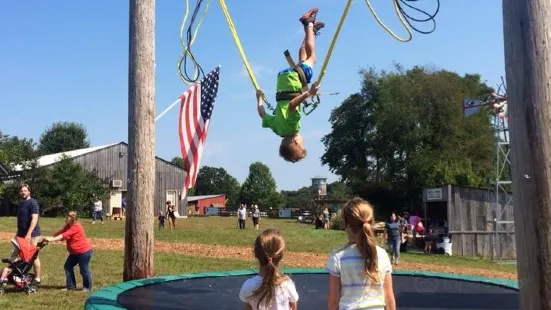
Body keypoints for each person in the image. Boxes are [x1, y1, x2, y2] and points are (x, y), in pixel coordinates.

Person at [256, 8, 324, 163]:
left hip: (295, 81)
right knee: (303, 57)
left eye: (302, 142)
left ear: (295, 142)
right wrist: (259, 98)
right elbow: (262, 113)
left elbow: (293, 105)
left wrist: (310, 93)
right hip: (283, 80)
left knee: (312, 58)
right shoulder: (278, 130)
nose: (303, 139)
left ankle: (309, 25)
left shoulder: (293, 127)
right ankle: (311, 32)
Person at [326, 197, 396, 310]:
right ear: (371, 222)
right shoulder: (382, 254)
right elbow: (389, 297)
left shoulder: (338, 256)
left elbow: (333, 300)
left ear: (346, 225)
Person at [239, 229, 299, 310]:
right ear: (281, 256)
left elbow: (248, 308)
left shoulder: (248, 286)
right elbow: (293, 306)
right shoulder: (287, 284)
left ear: (256, 254)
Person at [45, 211, 93, 291]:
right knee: (68, 266)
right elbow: (61, 233)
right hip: (75, 253)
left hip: (84, 252)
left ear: (73, 218)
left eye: (68, 217)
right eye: (66, 216)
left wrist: (51, 240)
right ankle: (70, 286)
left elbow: (63, 235)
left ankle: (87, 287)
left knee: (83, 269)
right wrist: (50, 237)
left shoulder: (76, 226)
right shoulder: (68, 226)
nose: (66, 218)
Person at [12, 184, 42, 286]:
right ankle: (11, 275)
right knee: (15, 254)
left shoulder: (33, 203)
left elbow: (34, 219)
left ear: (29, 192)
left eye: (25, 191)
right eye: (21, 191)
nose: (23, 192)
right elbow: (21, 221)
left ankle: (37, 279)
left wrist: (29, 234)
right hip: (21, 235)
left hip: (32, 235)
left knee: (33, 257)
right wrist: (17, 234)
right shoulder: (21, 204)